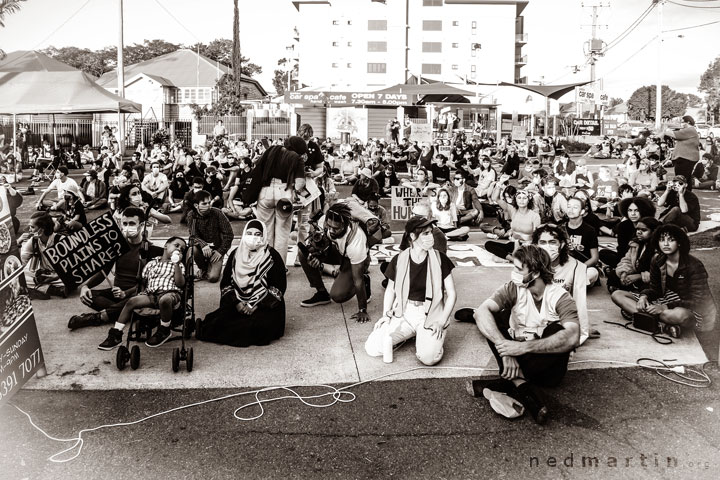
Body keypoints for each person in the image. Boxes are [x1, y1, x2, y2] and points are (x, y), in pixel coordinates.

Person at [468, 245, 580, 424]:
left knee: (558, 331)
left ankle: (508, 382)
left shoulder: (561, 297)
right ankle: (522, 385)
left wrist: (520, 348)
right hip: (514, 355)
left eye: (519, 269)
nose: (514, 272)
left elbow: (573, 336)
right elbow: (481, 312)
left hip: (547, 371)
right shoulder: (514, 288)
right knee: (491, 317)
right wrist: (507, 352)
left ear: (535, 273)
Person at [611, 225, 718, 363]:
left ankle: (645, 318)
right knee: (618, 295)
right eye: (662, 240)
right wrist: (644, 296)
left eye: (671, 240)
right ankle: (664, 325)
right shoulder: (658, 260)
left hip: (692, 308)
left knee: (679, 315)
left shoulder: (694, 265)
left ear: (679, 242)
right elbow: (655, 290)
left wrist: (665, 307)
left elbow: (698, 301)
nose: (666, 244)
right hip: (665, 299)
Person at [365, 216, 457, 366]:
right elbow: (390, 290)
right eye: (425, 233)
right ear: (413, 236)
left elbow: (452, 294)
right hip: (404, 312)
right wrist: (386, 315)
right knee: (372, 348)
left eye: (430, 232)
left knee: (428, 358)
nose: (430, 237)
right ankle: (412, 334)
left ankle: (425, 337)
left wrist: (441, 321)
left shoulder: (440, 259)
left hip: (430, 314)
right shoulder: (399, 259)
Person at [196, 220, 287, 347]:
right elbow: (226, 284)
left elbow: (278, 287)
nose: (253, 237)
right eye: (249, 233)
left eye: (257, 234)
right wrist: (237, 303)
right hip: (237, 302)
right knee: (217, 322)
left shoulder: (272, 256)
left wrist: (255, 305)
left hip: (264, 306)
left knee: (257, 327)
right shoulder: (235, 254)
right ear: (244, 235)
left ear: (264, 236)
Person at [98, 237, 187, 350]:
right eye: (176, 245)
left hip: (170, 293)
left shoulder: (179, 266)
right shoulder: (151, 263)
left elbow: (180, 283)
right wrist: (126, 293)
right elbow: (142, 284)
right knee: (132, 301)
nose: (179, 249)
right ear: (166, 246)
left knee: (165, 300)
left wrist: (176, 264)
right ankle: (116, 334)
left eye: (182, 249)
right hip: (151, 294)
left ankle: (164, 329)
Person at [297, 203, 371, 323]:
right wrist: (317, 257)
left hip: (351, 258)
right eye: (329, 226)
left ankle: (366, 281)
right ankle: (321, 293)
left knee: (338, 295)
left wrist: (362, 309)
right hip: (338, 251)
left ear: (345, 225)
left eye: (335, 228)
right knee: (304, 253)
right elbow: (322, 242)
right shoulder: (326, 221)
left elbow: (358, 281)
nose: (331, 230)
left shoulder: (356, 239)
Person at [532, 223, 592, 344]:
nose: (547, 247)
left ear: (562, 244)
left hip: (559, 319)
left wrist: (582, 333)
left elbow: (579, 303)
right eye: (542, 242)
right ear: (536, 245)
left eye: (552, 242)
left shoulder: (577, 267)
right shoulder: (530, 264)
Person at [252, 136, 307, 265]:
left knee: (266, 231)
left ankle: (265, 264)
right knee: (282, 233)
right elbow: (300, 184)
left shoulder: (272, 150)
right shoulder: (296, 158)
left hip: (265, 192)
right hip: (285, 192)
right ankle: (280, 267)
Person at [187, 190, 234, 283]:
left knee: (213, 278)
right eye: (204, 203)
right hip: (202, 249)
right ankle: (203, 268)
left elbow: (229, 234)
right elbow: (193, 236)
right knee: (193, 249)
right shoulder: (191, 215)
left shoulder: (217, 213)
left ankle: (210, 266)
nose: (208, 206)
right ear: (196, 205)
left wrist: (221, 251)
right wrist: (203, 244)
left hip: (217, 249)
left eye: (209, 202)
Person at [607, 216, 661, 293]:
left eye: (644, 230)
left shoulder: (658, 248)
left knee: (647, 287)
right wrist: (624, 273)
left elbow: (660, 273)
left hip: (649, 278)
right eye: (638, 229)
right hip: (636, 272)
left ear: (653, 231)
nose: (639, 232)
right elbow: (627, 260)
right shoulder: (636, 244)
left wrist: (639, 276)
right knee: (613, 275)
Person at [485, 187, 541, 261]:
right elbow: (496, 198)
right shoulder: (513, 211)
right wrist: (499, 185)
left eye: (524, 198)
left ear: (528, 200)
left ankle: (510, 258)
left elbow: (536, 237)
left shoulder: (535, 215)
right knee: (488, 244)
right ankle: (512, 259)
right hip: (515, 243)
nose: (521, 200)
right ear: (516, 200)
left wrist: (526, 244)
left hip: (528, 245)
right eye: (519, 198)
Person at [564, 197, 600, 286]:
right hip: (564, 267)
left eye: (575, 207)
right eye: (569, 207)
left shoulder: (590, 230)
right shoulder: (560, 229)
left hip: (584, 267)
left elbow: (594, 258)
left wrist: (579, 268)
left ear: (582, 211)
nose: (571, 210)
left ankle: (570, 284)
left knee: (592, 273)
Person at [663, 115, 700, 190]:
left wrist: (665, 128)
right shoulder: (688, 131)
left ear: (688, 122)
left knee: (680, 179)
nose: (681, 124)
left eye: (682, 122)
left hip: (685, 158)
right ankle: (686, 196)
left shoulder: (690, 130)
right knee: (686, 179)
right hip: (685, 158)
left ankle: (682, 195)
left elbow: (672, 134)